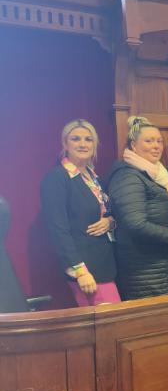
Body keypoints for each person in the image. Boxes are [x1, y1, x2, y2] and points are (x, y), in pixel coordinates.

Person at [107, 116, 168, 300]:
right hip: (144, 271)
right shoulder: (128, 176)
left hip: (162, 267)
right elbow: (136, 224)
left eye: (159, 141)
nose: (156, 146)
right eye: (149, 141)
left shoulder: (158, 175)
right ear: (133, 145)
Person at [40, 119, 120, 306]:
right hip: (86, 270)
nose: (83, 144)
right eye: (76, 139)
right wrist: (80, 271)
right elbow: (58, 230)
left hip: (105, 265)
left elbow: (107, 212)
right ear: (65, 144)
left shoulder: (93, 177)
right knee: (108, 329)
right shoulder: (57, 178)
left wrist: (110, 221)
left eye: (88, 139)